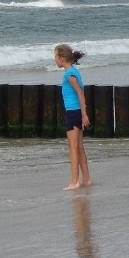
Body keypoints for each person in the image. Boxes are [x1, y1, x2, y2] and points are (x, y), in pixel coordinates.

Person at [54, 44, 92, 190]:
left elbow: (80, 93)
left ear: (62, 59)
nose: (55, 60)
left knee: (73, 147)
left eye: (55, 57)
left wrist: (84, 115)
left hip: (73, 112)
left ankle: (75, 181)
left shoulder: (69, 74)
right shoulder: (73, 71)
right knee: (79, 147)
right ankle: (86, 179)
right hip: (75, 112)